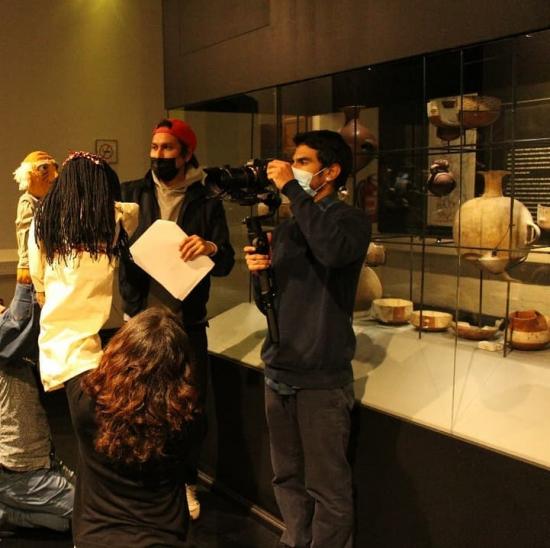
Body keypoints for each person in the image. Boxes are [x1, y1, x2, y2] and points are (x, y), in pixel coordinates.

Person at [244, 130, 371, 548]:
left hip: (321, 378)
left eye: (302, 163)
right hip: (279, 369)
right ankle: (295, 541)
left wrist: (291, 193)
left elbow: (333, 251)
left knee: (328, 488)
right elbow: (273, 306)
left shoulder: (348, 220)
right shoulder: (291, 227)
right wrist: (262, 273)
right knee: (287, 477)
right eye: (292, 162)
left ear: (330, 172)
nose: (292, 170)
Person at [118, 118, 235, 519]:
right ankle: (142, 483)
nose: (158, 155)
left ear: (186, 154)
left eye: (168, 149)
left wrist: (211, 245)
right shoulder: (130, 193)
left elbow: (227, 263)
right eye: (154, 147)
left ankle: (185, 482)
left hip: (187, 322)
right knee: (137, 402)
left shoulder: (207, 201)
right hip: (139, 320)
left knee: (187, 407)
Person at [65, 307, 200, 547]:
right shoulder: (186, 420)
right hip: (165, 539)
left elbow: (67, 339)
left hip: (94, 539)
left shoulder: (85, 403)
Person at [0, 151, 74, 536]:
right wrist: (28, 280)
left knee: (67, 517)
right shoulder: (4, 339)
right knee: (86, 512)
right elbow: (15, 327)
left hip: (36, 459)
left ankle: (6, 512)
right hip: (17, 468)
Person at [29, 151, 139, 391]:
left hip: (61, 334)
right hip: (98, 331)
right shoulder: (111, 218)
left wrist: (42, 291)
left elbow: (37, 271)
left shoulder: (45, 219)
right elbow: (132, 212)